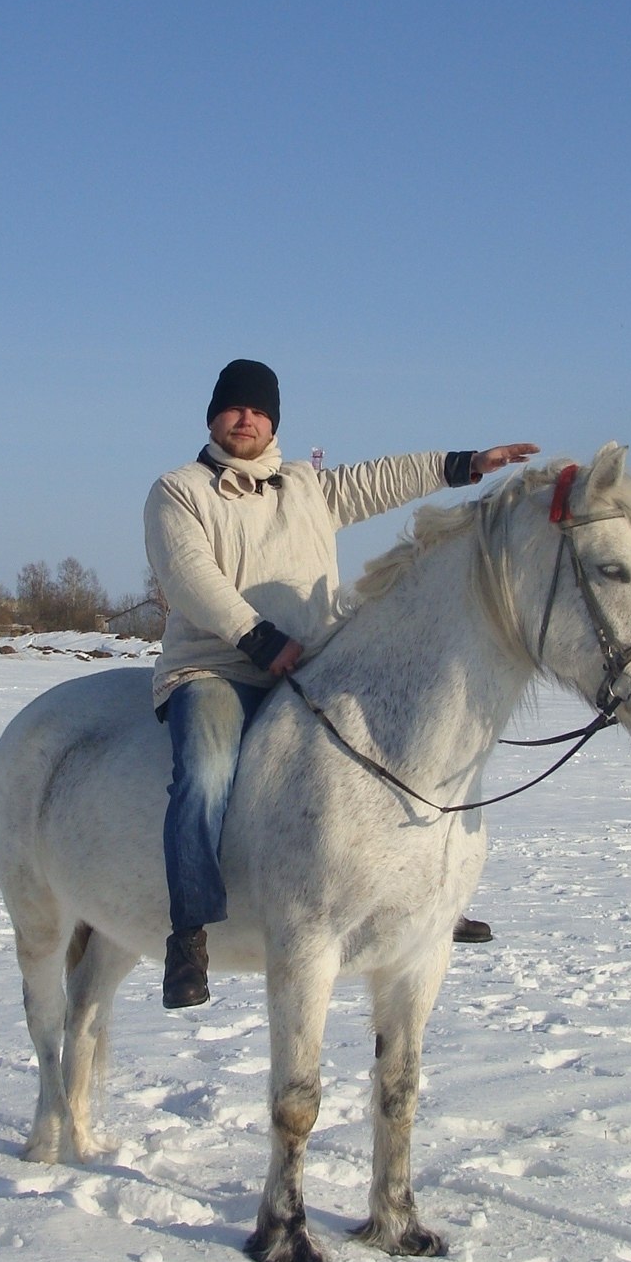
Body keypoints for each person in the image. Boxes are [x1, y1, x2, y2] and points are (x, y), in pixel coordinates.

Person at [144, 359, 538, 1009]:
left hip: (309, 664)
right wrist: (258, 639)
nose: (247, 419)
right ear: (213, 416)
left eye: (259, 410)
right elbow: (189, 577)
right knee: (206, 775)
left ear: (274, 422)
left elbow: (382, 479)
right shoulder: (179, 491)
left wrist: (465, 464)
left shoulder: (306, 485)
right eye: (235, 407)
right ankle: (189, 931)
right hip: (217, 668)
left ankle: (430, 902)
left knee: (408, 754)